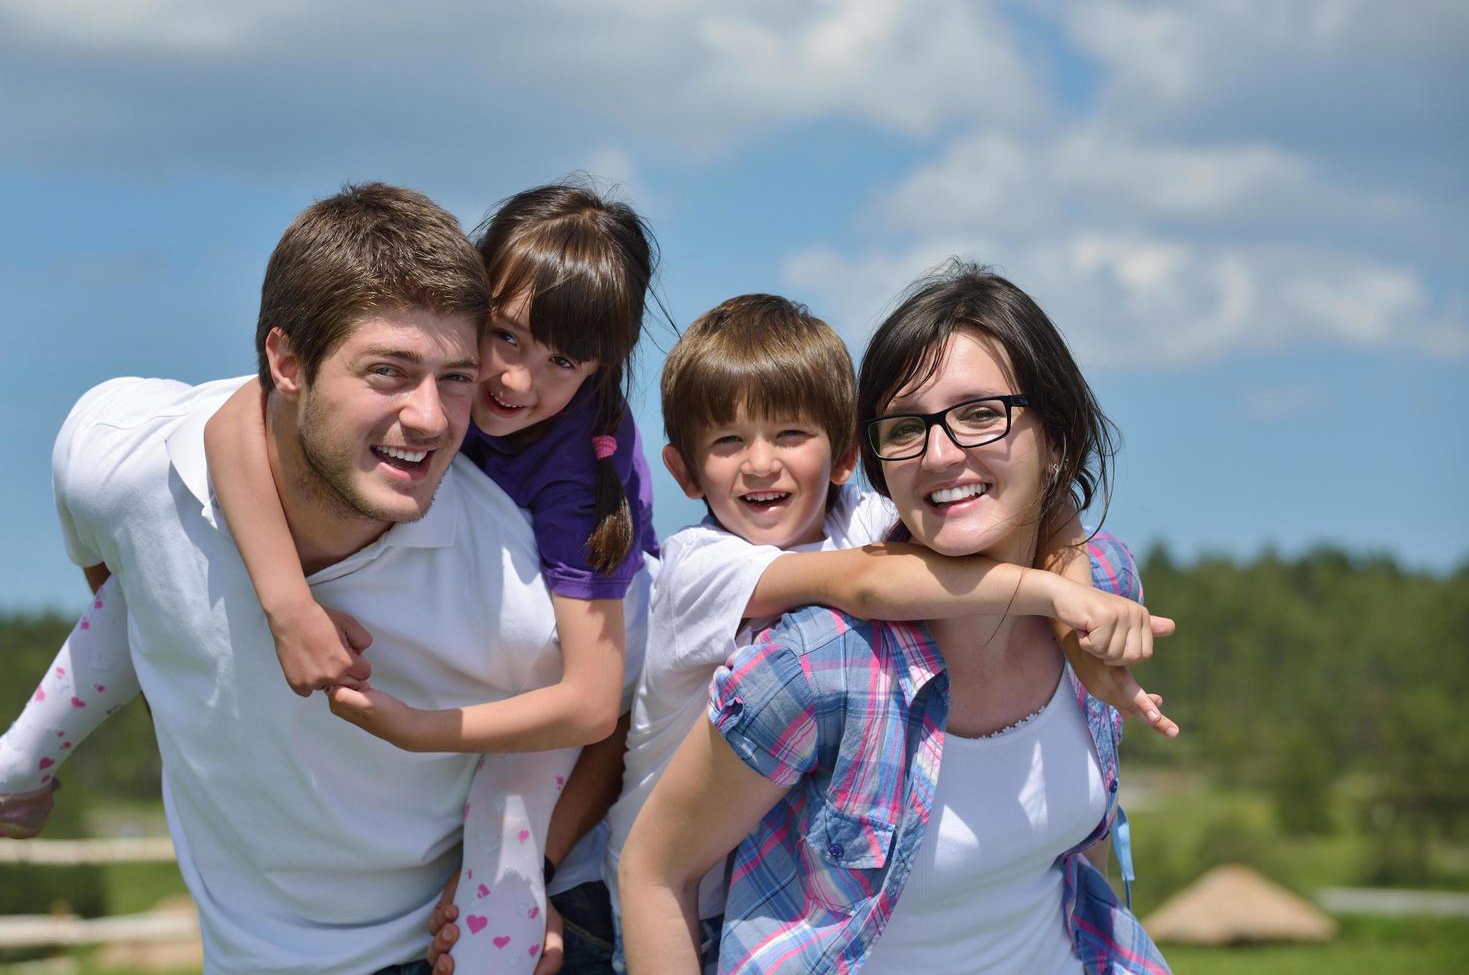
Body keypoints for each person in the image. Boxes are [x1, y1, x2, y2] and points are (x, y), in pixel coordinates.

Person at [1, 182, 608, 973]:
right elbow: (118, 565)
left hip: (431, 951)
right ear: (285, 361)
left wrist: (532, 883)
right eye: (388, 371)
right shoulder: (123, 461)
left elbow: (612, 720)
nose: (429, 417)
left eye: (456, 377)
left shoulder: (516, 583)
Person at [619, 262, 1173, 973]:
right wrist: (1055, 600)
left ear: (1055, 435)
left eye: (981, 413)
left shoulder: (1102, 586)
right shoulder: (812, 661)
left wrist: (1072, 614)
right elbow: (655, 871)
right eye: (907, 428)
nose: (940, 454)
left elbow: (1076, 859)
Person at [201, 181, 661, 973]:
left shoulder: (581, 469)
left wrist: (420, 729)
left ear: (601, 368)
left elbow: (591, 701)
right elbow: (233, 421)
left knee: (497, 874)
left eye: (562, 361)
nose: (516, 381)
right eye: (506, 338)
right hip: (488, 673)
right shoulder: (437, 388)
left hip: (564, 697)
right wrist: (288, 606)